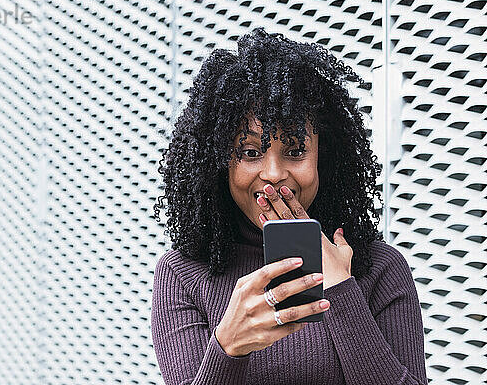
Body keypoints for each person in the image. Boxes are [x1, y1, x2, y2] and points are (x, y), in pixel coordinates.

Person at [151, 27, 427, 385]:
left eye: (295, 151)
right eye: (250, 153)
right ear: (220, 162)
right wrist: (227, 346)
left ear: (323, 158)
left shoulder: (380, 267)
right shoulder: (182, 275)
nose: (273, 174)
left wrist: (341, 289)